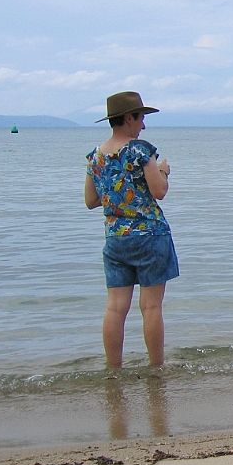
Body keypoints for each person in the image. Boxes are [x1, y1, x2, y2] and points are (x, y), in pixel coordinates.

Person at [84, 91, 178, 369]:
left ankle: (113, 370)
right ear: (128, 118)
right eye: (141, 119)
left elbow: (91, 201)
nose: (143, 126)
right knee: (150, 307)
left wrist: (117, 188)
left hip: (115, 238)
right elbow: (159, 192)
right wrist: (162, 171)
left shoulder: (96, 157)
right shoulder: (141, 150)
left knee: (115, 308)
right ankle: (156, 368)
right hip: (149, 235)